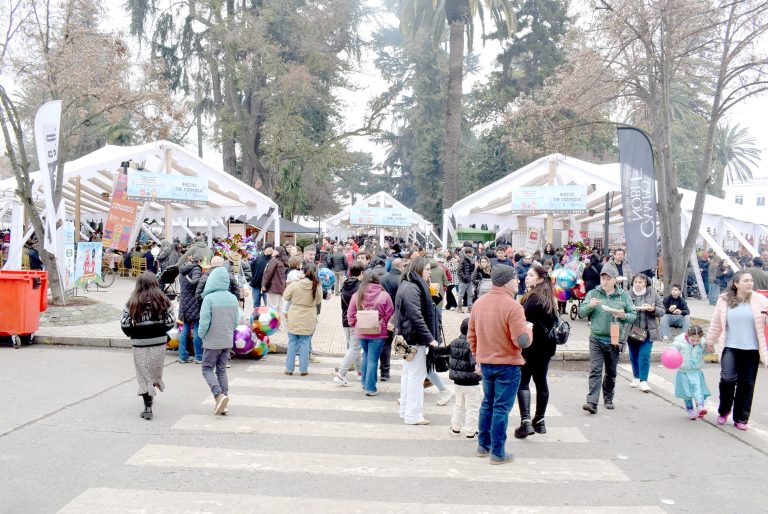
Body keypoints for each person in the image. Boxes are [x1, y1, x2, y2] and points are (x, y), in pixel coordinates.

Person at [469, 265, 533, 465]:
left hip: (486, 362)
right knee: (500, 408)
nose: (519, 281)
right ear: (506, 281)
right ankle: (498, 452)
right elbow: (521, 341)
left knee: (487, 404)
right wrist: (528, 330)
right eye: (515, 278)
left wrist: (477, 357)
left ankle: (483, 445)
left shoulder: (479, 303)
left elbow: (472, 335)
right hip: (507, 364)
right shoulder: (513, 307)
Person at [708, 271, 768, 430]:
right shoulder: (724, 299)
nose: (750, 283)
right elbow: (716, 323)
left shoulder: (760, 300)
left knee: (747, 384)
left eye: (751, 280)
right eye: (746, 280)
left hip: (752, 349)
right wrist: (710, 340)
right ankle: (724, 410)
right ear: (736, 283)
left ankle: (741, 418)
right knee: (727, 379)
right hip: (730, 347)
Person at [578, 266, 636, 414]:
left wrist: (623, 315)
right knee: (596, 370)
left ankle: (608, 397)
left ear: (615, 280)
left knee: (610, 372)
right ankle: (592, 402)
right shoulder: (593, 293)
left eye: (608, 279)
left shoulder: (623, 296)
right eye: (602, 278)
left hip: (614, 340)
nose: (604, 281)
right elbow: (581, 312)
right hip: (596, 338)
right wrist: (589, 306)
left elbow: (633, 315)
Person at [120, 272, 176, 421]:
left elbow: (124, 323)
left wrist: (133, 333)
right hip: (158, 341)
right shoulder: (163, 300)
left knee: (143, 374)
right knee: (154, 371)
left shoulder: (132, 301)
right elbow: (171, 322)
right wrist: (160, 330)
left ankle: (147, 406)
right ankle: (151, 394)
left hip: (139, 343)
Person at [394, 257, 440, 425]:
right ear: (419, 269)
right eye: (427, 269)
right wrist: (430, 338)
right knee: (416, 377)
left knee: (409, 375)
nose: (429, 272)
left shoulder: (409, 284)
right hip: (414, 338)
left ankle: (406, 410)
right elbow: (416, 316)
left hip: (408, 336)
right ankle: (413, 415)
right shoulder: (413, 287)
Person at [514, 265, 558, 439]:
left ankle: (526, 422)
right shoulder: (548, 295)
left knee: (523, 382)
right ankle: (539, 421)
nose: (527, 277)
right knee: (541, 381)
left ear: (540, 278)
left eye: (531, 275)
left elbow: (521, 321)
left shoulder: (533, 298)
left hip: (531, 346)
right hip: (546, 347)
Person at [198, 266, 240, 415]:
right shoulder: (233, 298)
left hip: (212, 340)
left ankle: (218, 395)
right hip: (227, 339)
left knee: (207, 368)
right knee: (221, 369)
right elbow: (236, 322)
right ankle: (224, 400)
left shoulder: (209, 299)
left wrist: (202, 335)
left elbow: (204, 323)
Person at [431, 318, 482, 438]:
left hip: (458, 383)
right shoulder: (472, 345)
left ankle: (455, 429)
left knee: (459, 406)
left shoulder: (454, 342)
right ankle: (471, 432)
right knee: (473, 408)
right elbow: (473, 361)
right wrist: (479, 369)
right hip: (471, 383)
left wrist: (433, 347)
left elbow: (443, 350)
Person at [347, 269, 395, 396]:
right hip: (378, 332)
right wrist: (382, 323)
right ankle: (370, 387)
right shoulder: (384, 295)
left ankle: (364, 382)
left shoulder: (357, 295)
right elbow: (390, 313)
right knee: (373, 358)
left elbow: (350, 314)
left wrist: (355, 324)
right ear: (377, 279)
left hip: (361, 331)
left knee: (366, 356)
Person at [282, 262, 323, 375]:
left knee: (292, 342)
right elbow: (319, 301)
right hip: (309, 315)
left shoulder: (295, 284)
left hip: (294, 314)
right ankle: (303, 369)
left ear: (303, 272)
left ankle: (289, 369)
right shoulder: (317, 285)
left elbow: (285, 296)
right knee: (305, 342)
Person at [627, 273, 665, 392]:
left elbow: (662, 311)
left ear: (645, 283)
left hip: (648, 331)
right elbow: (622, 309)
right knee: (634, 355)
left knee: (644, 355)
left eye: (641, 282)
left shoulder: (653, 293)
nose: (638, 284)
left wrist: (652, 309)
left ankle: (644, 381)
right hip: (632, 330)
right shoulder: (627, 294)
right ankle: (636, 377)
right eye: (636, 282)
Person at [334, 261, 365, 386]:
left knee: (354, 347)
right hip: (355, 321)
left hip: (345, 320)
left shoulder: (345, 284)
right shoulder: (359, 288)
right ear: (362, 273)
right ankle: (341, 374)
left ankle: (360, 372)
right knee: (354, 348)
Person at [672, 325, 711, 420]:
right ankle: (690, 410)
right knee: (687, 393)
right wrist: (671, 355)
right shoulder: (679, 342)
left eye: (697, 340)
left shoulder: (702, 343)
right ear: (688, 335)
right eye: (692, 340)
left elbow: (706, 352)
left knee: (698, 390)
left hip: (696, 371)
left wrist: (710, 349)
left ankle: (700, 407)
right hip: (683, 372)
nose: (695, 342)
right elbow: (672, 350)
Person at [379, 258, 405, 381]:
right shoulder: (402, 280)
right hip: (397, 315)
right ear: (401, 267)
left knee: (385, 344)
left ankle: (384, 372)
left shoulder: (383, 278)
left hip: (383, 314)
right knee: (402, 342)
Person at [178, 255, 204, 364]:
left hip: (184, 303)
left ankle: (182, 356)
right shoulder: (196, 268)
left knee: (185, 329)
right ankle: (198, 356)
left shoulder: (183, 270)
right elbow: (196, 282)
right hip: (194, 303)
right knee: (197, 329)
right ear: (200, 261)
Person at [262, 245, 288, 315]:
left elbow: (268, 273)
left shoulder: (274, 261)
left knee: (271, 309)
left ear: (279, 252)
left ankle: (273, 326)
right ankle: (281, 326)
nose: (273, 251)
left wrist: (264, 285)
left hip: (273, 288)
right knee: (280, 309)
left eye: (275, 250)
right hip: (281, 288)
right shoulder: (283, 262)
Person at [249, 243, 273, 307]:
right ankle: (256, 317)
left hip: (267, 286)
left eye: (272, 249)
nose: (271, 250)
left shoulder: (272, 259)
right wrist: (253, 278)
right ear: (265, 248)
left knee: (268, 304)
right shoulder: (257, 257)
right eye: (269, 248)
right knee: (256, 303)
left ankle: (268, 317)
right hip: (256, 285)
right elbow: (251, 268)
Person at [456, 247, 475, 313]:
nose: (471, 254)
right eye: (470, 253)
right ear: (467, 253)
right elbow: (459, 271)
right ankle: (459, 307)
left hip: (469, 280)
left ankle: (469, 307)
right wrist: (464, 277)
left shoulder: (471, 259)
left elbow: (471, 270)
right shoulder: (462, 259)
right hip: (463, 281)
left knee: (470, 294)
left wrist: (473, 265)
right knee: (461, 294)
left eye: (471, 253)